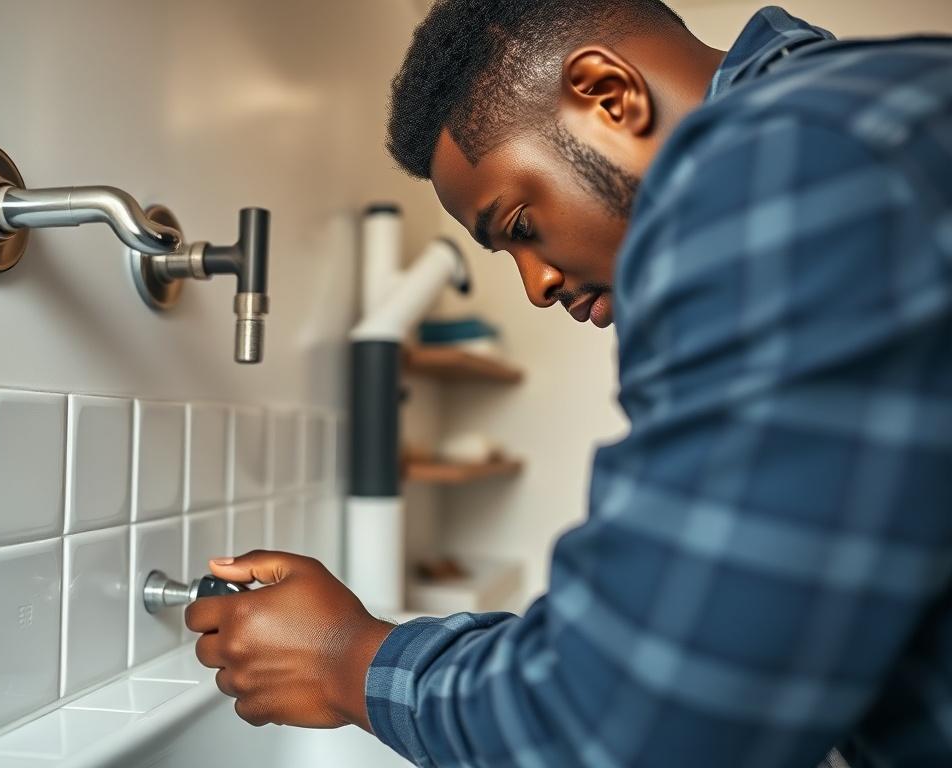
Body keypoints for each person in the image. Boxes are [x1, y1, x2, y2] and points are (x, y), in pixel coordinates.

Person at [184, 2, 952, 765]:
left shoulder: (779, 167)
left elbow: (635, 728)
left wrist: (348, 661)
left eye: (518, 226)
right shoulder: (867, 119)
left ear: (608, 98)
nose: (537, 286)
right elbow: (726, 630)